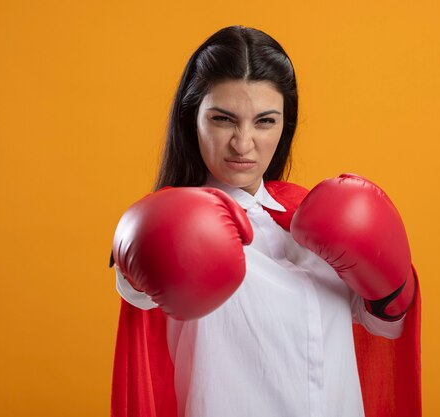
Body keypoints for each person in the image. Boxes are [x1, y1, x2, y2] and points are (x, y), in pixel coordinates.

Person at [109, 25, 421, 417]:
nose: (243, 143)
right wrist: (142, 240)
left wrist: (394, 285)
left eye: (265, 121)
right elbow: (134, 285)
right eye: (223, 119)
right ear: (194, 120)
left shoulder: (315, 218)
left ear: (285, 124)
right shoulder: (170, 226)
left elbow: (386, 328)